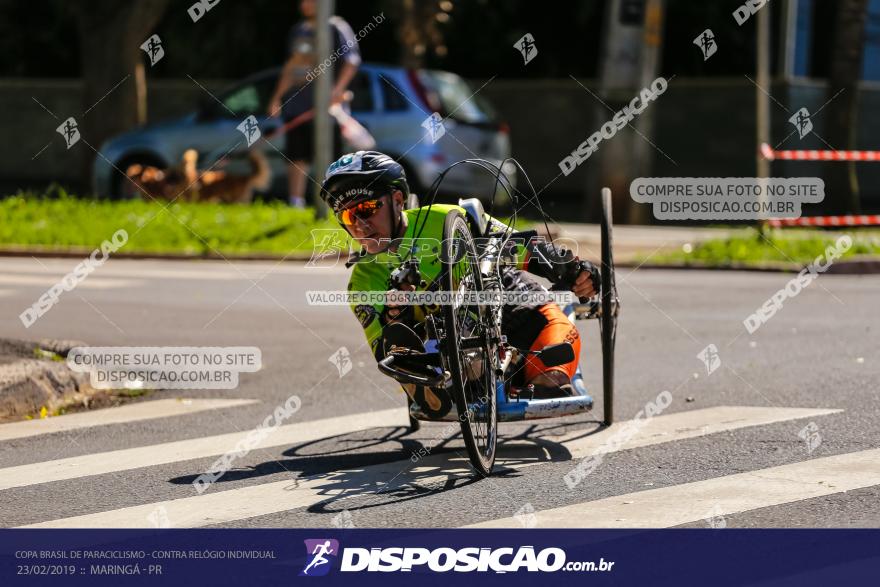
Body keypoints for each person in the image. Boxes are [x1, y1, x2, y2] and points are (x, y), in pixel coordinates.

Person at [320, 151, 598, 415]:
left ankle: (522, 379)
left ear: (397, 200)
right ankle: (435, 383)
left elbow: (519, 248)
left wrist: (573, 271)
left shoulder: (444, 219)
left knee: (553, 375)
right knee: (400, 344)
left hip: (515, 306)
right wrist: (397, 316)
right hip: (450, 348)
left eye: (367, 208)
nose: (358, 224)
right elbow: (384, 353)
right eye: (346, 215)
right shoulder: (363, 282)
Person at [268, 0, 361, 208]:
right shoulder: (298, 30)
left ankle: (331, 203)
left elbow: (351, 62)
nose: (305, 4)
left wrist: (336, 91)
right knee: (296, 155)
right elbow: (291, 66)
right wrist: (277, 97)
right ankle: (296, 202)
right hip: (298, 106)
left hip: (327, 109)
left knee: (329, 156)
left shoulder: (336, 27)